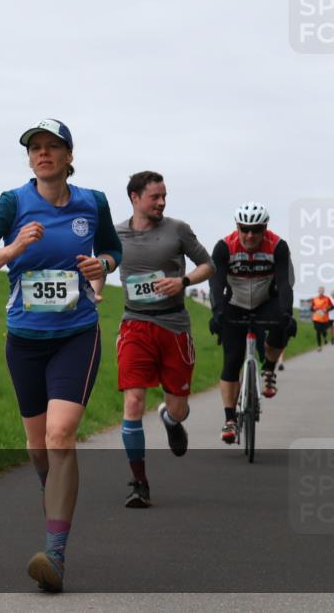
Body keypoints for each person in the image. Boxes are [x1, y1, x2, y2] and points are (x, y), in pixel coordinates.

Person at [0, 119, 122, 593]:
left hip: (77, 333)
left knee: (61, 435)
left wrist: (102, 265)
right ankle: (55, 495)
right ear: (29, 158)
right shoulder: (11, 203)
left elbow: (111, 249)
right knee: (38, 448)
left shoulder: (93, 203)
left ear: (70, 156)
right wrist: (12, 249)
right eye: (36, 147)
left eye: (53, 147)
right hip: (25, 340)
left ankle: (55, 554)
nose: (44, 153)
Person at [114, 171, 214, 508]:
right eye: (155, 196)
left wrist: (183, 281)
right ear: (134, 197)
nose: (161, 202)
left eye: (164, 196)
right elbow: (101, 265)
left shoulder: (178, 230)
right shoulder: (115, 234)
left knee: (178, 406)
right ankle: (138, 481)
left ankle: (171, 420)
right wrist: (94, 290)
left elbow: (207, 265)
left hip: (174, 326)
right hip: (135, 324)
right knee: (133, 402)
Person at [209, 202, 295, 444]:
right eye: (245, 229)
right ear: (237, 226)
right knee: (232, 359)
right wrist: (216, 312)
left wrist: (287, 314)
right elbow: (215, 283)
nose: (249, 235)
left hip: (266, 299)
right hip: (234, 302)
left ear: (264, 228)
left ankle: (268, 368)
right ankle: (230, 419)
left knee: (281, 326)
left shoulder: (277, 246)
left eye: (256, 230)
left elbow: (285, 282)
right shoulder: (224, 246)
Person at [311, 287, 334, 351]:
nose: (321, 291)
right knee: (318, 331)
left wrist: (327, 310)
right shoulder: (314, 299)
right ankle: (319, 346)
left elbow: (332, 307)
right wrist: (313, 309)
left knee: (323, 331)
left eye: (322, 290)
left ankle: (325, 337)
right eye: (320, 290)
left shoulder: (327, 298)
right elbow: (311, 308)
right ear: (318, 291)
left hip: (324, 319)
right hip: (316, 318)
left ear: (323, 291)